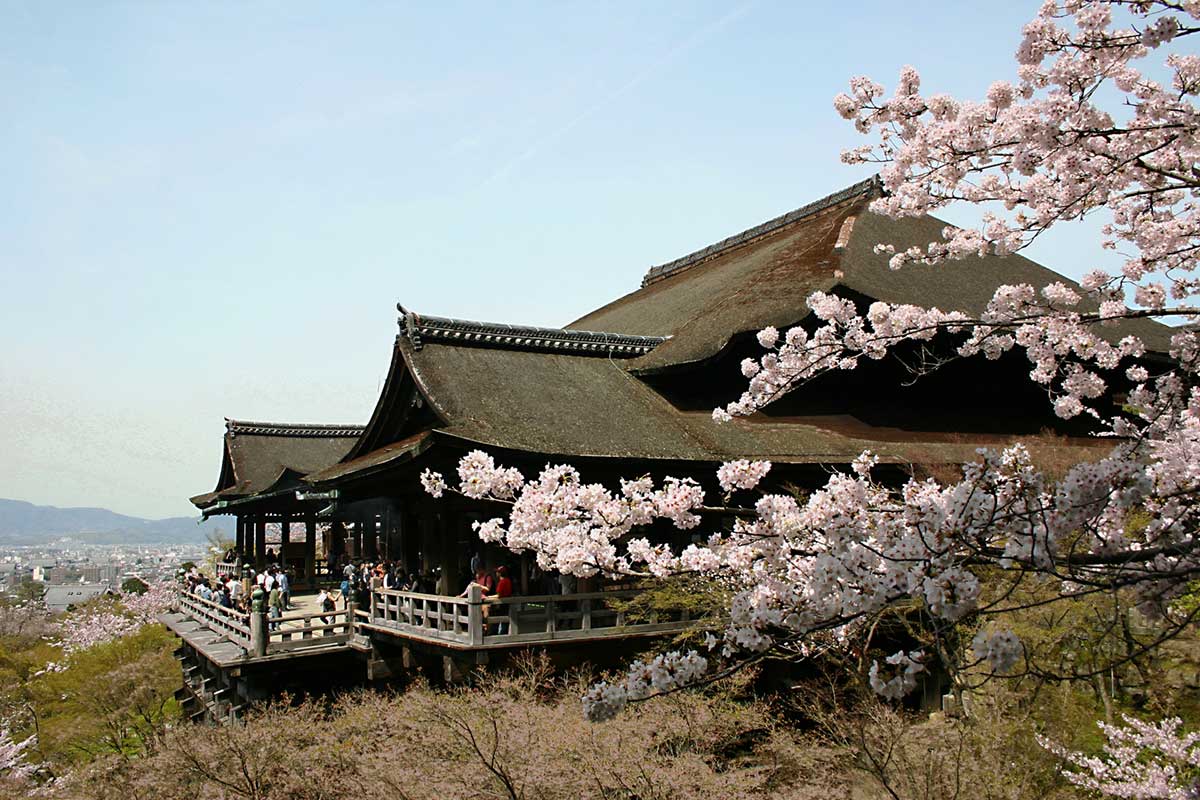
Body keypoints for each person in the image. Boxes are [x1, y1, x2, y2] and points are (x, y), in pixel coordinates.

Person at [494, 565, 514, 634]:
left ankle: (499, 633)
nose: (496, 573)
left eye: (497, 572)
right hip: (507, 602)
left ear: (500, 573)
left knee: (499, 618)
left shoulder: (502, 582)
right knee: (505, 618)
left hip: (501, 603)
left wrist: (489, 597)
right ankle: (504, 633)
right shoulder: (508, 580)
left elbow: (499, 595)